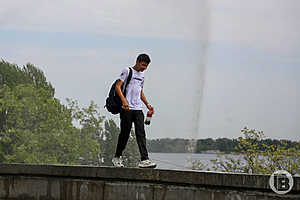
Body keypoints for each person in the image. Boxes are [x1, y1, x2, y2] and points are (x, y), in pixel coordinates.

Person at [112, 53, 156, 168]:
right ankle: (117, 157)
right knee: (125, 134)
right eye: (142, 65)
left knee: (141, 133)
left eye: (146, 66)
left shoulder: (142, 76)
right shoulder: (127, 71)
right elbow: (118, 86)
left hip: (138, 108)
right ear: (137, 61)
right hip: (126, 108)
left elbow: (140, 91)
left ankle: (144, 159)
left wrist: (147, 104)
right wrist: (124, 101)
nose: (144, 68)